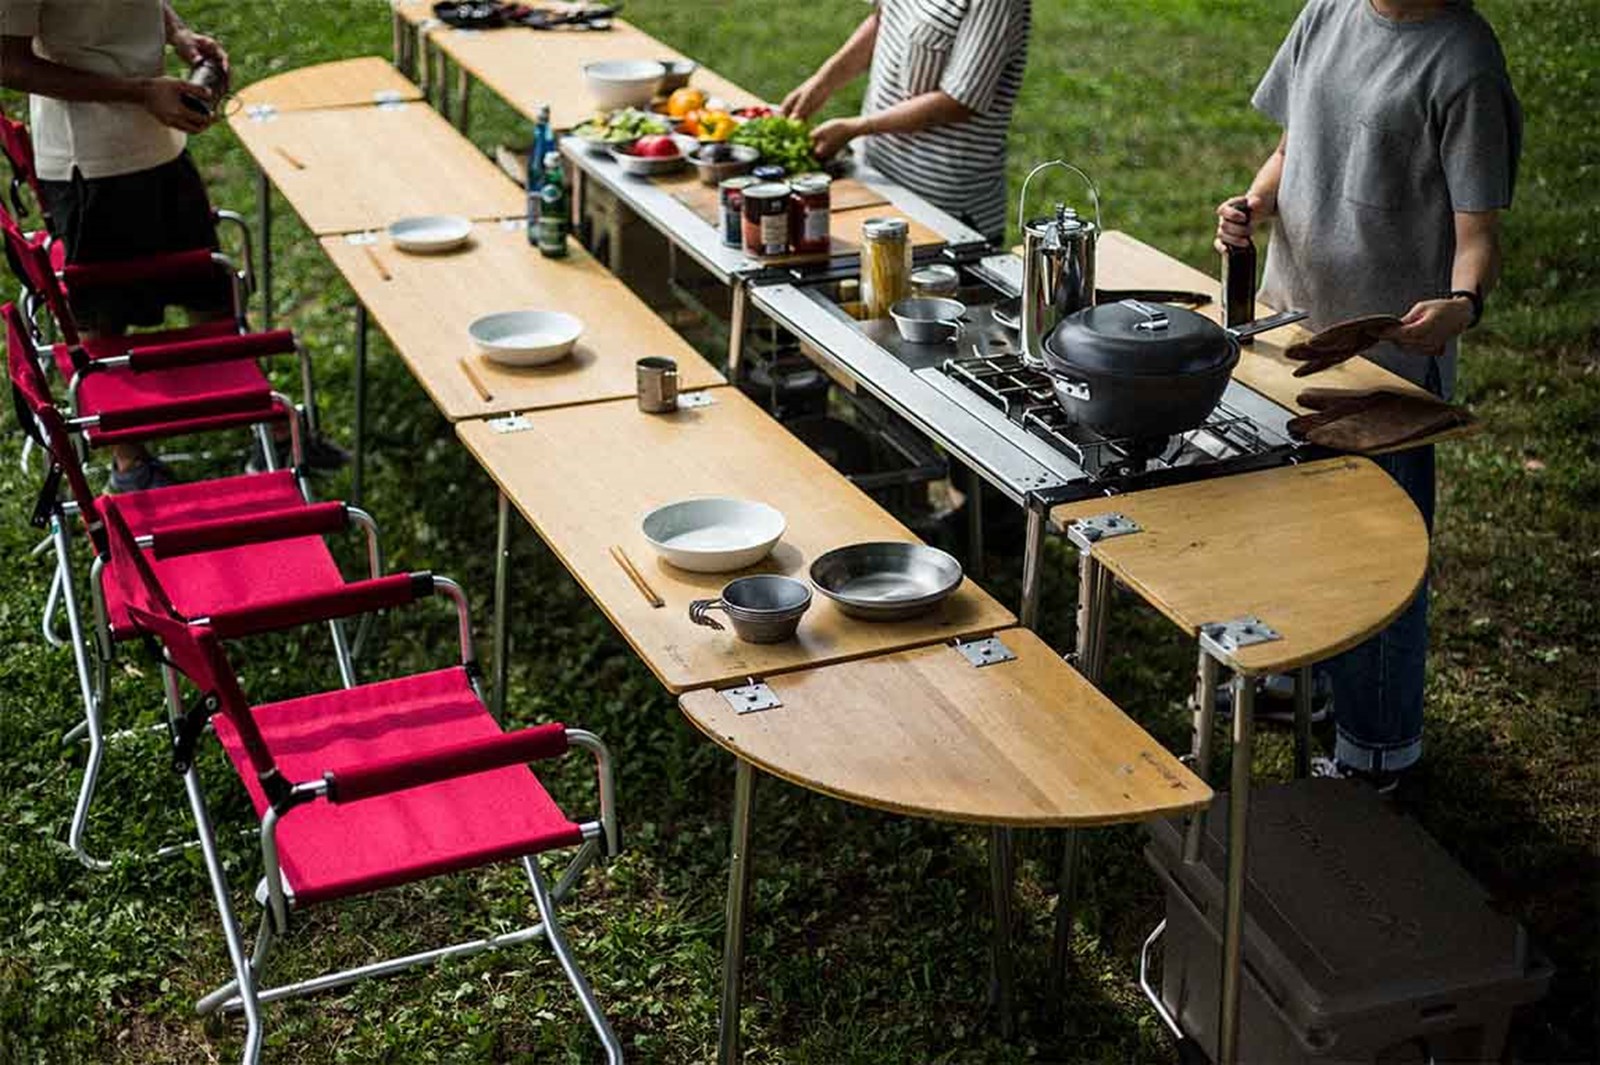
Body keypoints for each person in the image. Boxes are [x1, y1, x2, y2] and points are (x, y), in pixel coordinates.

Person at [1215, 0, 1521, 784]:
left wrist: (1462, 305)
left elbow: (1478, 232)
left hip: (1387, 370)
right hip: (1295, 335)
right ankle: (1305, 673)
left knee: (1379, 562)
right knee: (1292, 525)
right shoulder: (1327, 13)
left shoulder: (1464, 62)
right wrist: (1254, 203)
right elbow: (1295, 144)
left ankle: (1378, 750)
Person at [780, 0, 1030, 243]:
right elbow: (884, 19)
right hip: (875, 179)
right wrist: (823, 82)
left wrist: (856, 128)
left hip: (943, 210)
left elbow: (959, 102)